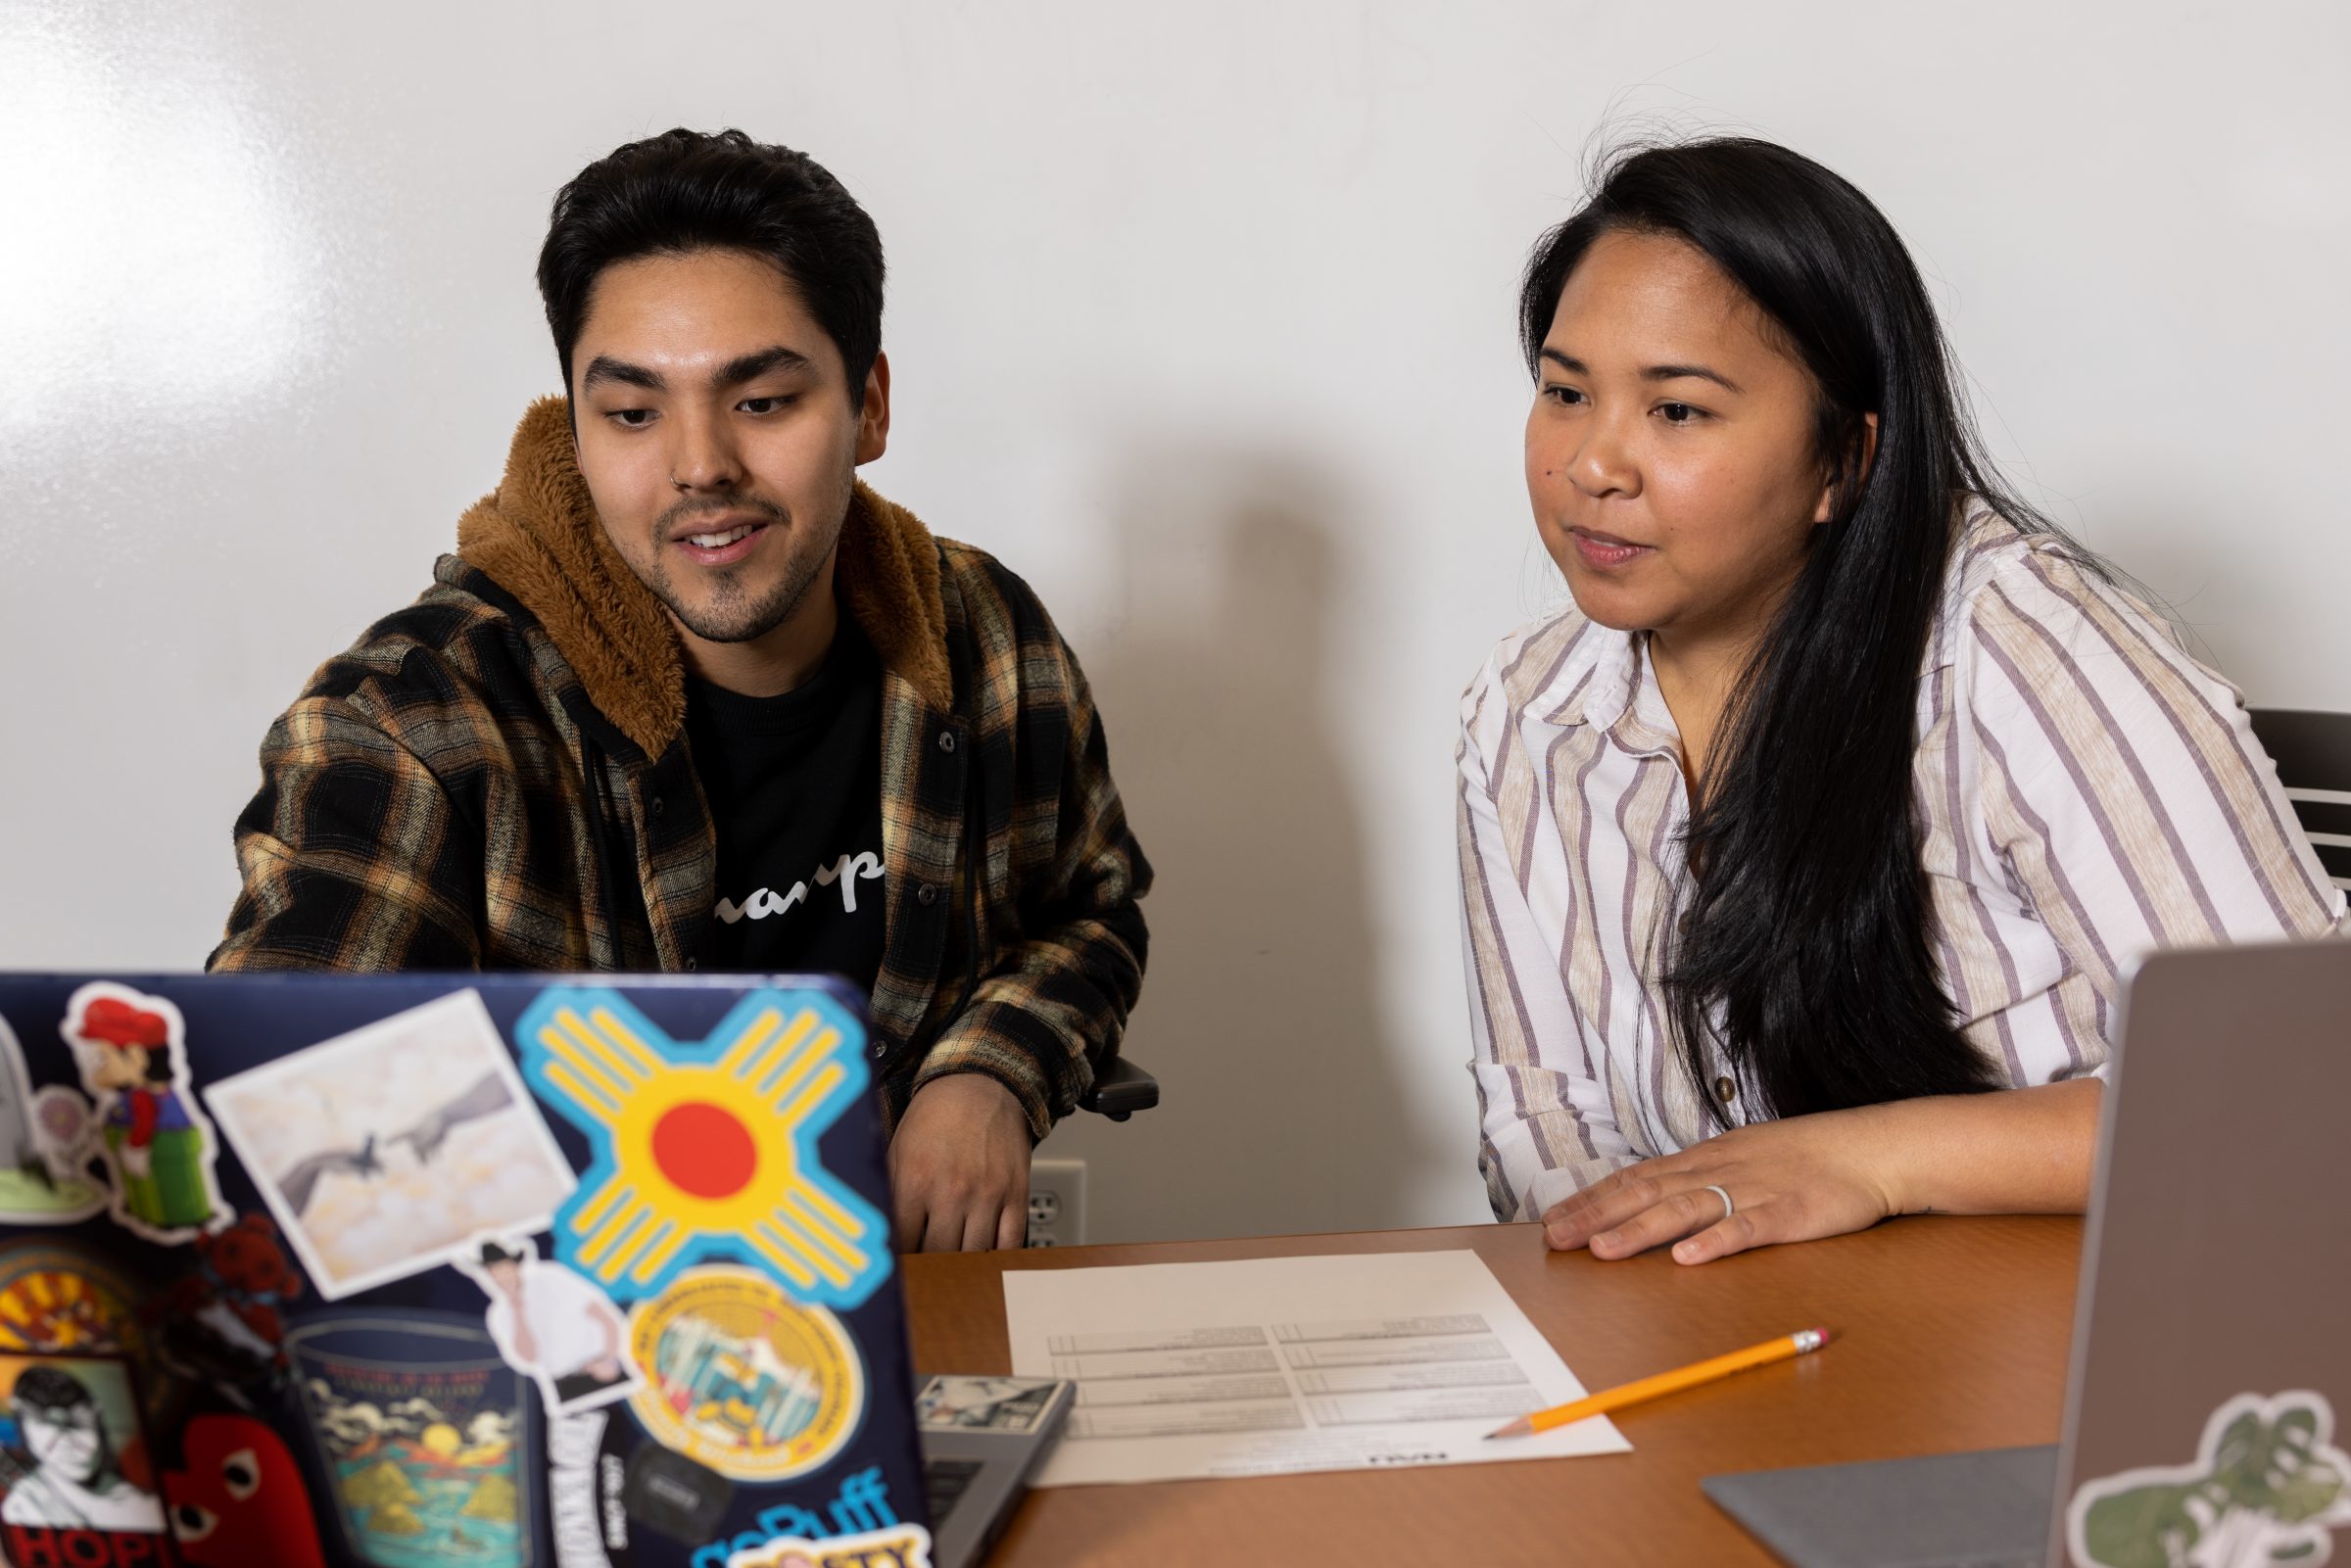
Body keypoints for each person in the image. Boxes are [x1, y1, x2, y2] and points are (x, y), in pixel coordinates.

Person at [211, 128, 1152, 1253]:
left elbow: (1087, 907)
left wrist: (991, 1068)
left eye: (761, 401)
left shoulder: (986, 634)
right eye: (633, 412)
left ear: (870, 407)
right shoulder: (412, 725)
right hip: (566, 1360)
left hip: (920, 1317)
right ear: (575, 426)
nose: (699, 465)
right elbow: (292, 1139)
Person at [1457, 138, 2344, 1266]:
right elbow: (1540, 1117)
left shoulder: (2020, 647)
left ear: (1846, 459)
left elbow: (2298, 1088)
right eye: (1565, 391)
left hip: (2089, 1350)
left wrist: (1867, 1159)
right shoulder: (1526, 711)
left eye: (1677, 411)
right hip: (1737, 1354)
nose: (1594, 463)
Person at [1, 1365, 165, 1531]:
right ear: (25, 1431)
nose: (67, 1444)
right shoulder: (24, 1505)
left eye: (77, 1424)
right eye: (45, 1425)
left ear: (96, 1417)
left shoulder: (146, 1504)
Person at [473, 1241, 630, 1410]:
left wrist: (610, 1357)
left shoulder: (550, 1278)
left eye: (504, 1268)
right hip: (565, 1384)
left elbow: (602, 1314)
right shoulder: (500, 1314)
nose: (503, 1277)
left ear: (515, 1266)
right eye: (495, 1272)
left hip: (603, 1364)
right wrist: (517, 1310)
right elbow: (529, 1357)